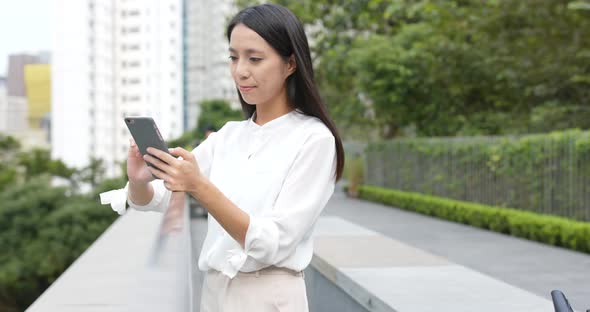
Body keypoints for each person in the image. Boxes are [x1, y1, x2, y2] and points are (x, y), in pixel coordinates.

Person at [102, 3, 344, 311]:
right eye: (233, 57)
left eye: (255, 58)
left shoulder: (314, 139)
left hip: (269, 296)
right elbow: (156, 198)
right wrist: (138, 181)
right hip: (215, 293)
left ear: (290, 64)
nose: (240, 70)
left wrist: (199, 187)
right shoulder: (228, 136)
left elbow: (272, 243)